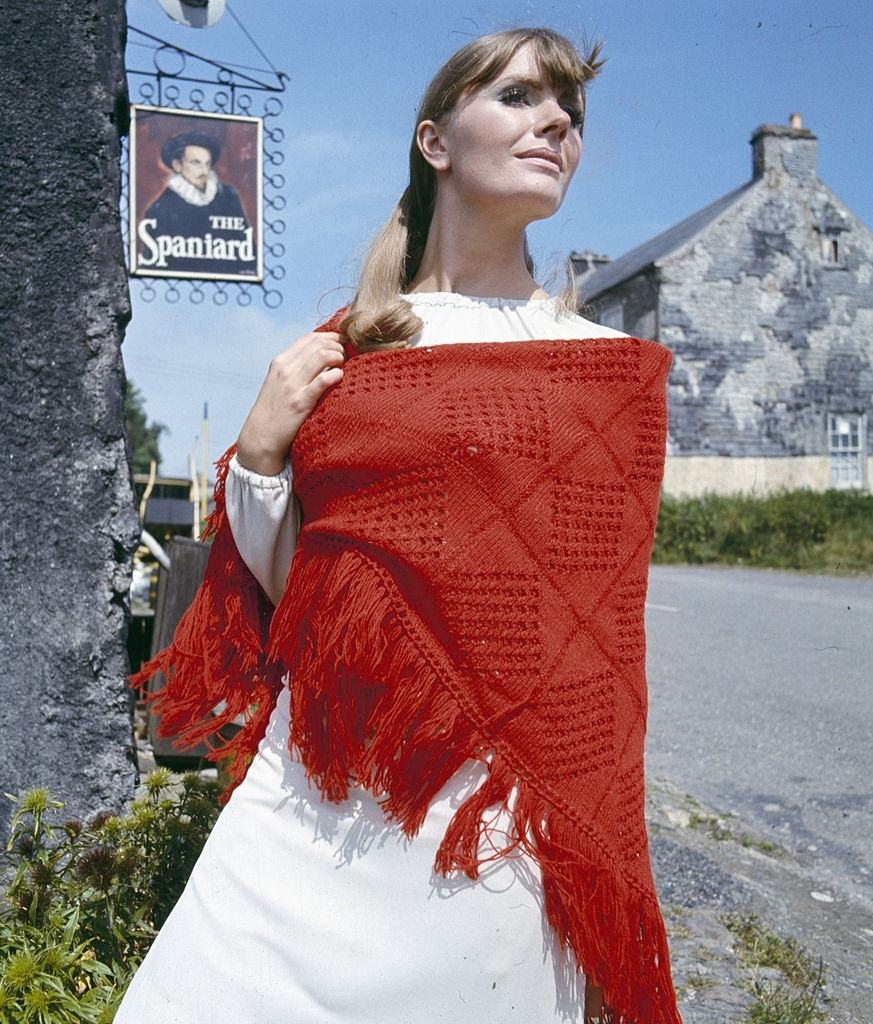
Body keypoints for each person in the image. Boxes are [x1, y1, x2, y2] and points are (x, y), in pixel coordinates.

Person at [117, 26, 682, 1024]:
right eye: (519, 97)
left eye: (572, 113)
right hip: (311, 810)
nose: (557, 122)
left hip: (488, 847)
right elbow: (305, 604)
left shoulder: (606, 374)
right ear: (434, 141)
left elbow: (593, 663)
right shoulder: (343, 353)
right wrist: (257, 454)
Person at [138, 128, 257, 277]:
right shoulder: (159, 210)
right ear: (177, 165)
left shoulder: (228, 197)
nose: (204, 171)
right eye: (196, 163)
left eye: (207, 164)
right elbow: (153, 267)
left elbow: (250, 258)